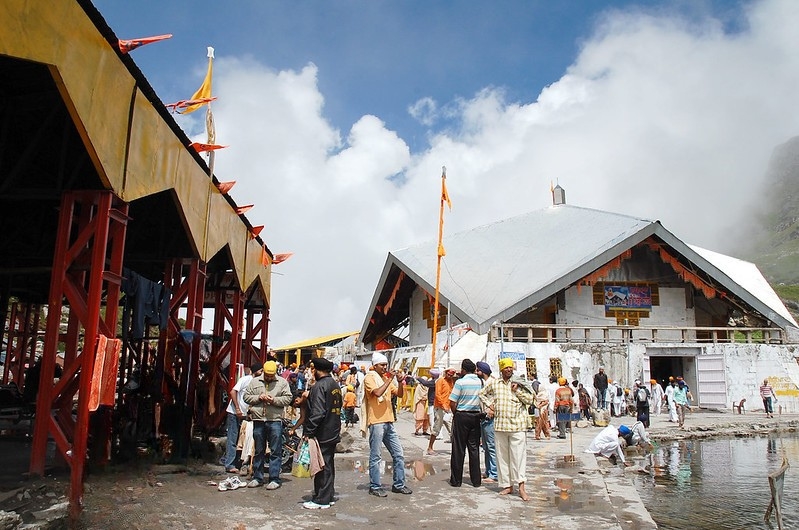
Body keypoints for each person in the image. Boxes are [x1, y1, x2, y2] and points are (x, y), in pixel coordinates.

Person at [479, 358, 535, 502]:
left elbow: (530, 400)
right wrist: (491, 405)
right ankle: (507, 485)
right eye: (506, 368)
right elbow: (482, 394)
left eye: (511, 368)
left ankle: (521, 487)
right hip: (500, 426)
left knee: (518, 458)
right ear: (501, 370)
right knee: (503, 458)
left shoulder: (519, 383)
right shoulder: (495, 384)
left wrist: (517, 391)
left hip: (517, 426)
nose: (509, 370)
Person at [363, 352, 412, 497]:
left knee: (399, 454)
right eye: (382, 365)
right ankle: (375, 486)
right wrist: (390, 379)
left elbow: (399, 394)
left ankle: (399, 484)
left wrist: (401, 381)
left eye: (386, 365)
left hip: (389, 421)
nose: (385, 367)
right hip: (377, 422)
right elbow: (377, 393)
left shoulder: (386, 379)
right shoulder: (370, 378)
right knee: (376, 456)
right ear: (375, 365)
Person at [242, 360, 293, 489]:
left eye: (272, 375)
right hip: (258, 420)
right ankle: (258, 477)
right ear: (263, 372)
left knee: (275, 450)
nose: (269, 378)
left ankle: (274, 478)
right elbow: (246, 397)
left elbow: (288, 398)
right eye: (267, 375)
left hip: (275, 420)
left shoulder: (282, 383)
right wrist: (259, 398)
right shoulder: (254, 382)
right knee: (259, 450)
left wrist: (274, 400)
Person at [302, 357, 342, 510]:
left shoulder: (319, 386)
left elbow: (318, 412)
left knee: (321, 466)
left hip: (323, 432)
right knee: (328, 465)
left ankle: (321, 500)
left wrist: (309, 431)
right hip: (333, 430)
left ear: (315, 370)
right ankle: (327, 495)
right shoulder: (334, 384)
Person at [448, 359, 483, 488]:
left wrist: (455, 413)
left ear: (463, 370)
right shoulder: (480, 382)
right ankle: (476, 480)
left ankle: (456, 480)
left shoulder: (460, 382)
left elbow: (452, 401)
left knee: (458, 448)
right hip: (475, 416)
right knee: (474, 449)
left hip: (462, 415)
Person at [223, 363, 261, 473]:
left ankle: (239, 462)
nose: (262, 373)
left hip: (245, 415)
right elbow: (233, 392)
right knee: (232, 438)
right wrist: (238, 409)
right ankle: (229, 465)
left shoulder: (257, 383)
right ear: (255, 372)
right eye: (260, 371)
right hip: (234, 413)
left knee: (243, 439)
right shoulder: (246, 379)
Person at [475, 361, 497, 483]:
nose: (476, 372)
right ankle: (489, 471)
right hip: (484, 417)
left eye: (478, 370)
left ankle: (494, 473)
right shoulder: (484, 383)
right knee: (486, 446)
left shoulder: (491, 383)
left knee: (491, 446)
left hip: (490, 417)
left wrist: (491, 408)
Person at [426, 368, 455, 456]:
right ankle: (430, 447)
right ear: (445, 373)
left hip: (448, 408)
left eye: (451, 375)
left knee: (452, 429)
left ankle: (455, 450)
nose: (449, 376)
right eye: (448, 374)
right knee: (437, 427)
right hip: (439, 407)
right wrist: (444, 406)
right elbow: (438, 395)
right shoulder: (440, 381)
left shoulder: (451, 382)